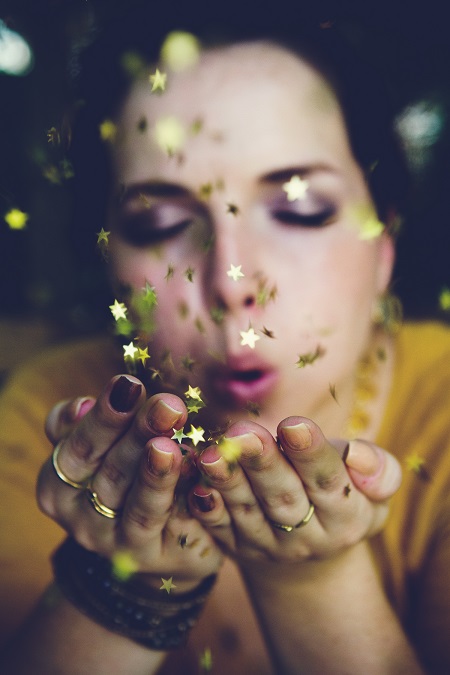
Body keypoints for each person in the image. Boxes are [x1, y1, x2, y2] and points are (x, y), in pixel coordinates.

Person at [0, 6, 449, 673]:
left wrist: (312, 583)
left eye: (301, 209)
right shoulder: (49, 415)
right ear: (109, 260)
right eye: (159, 221)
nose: (232, 282)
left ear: (383, 241)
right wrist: (123, 586)